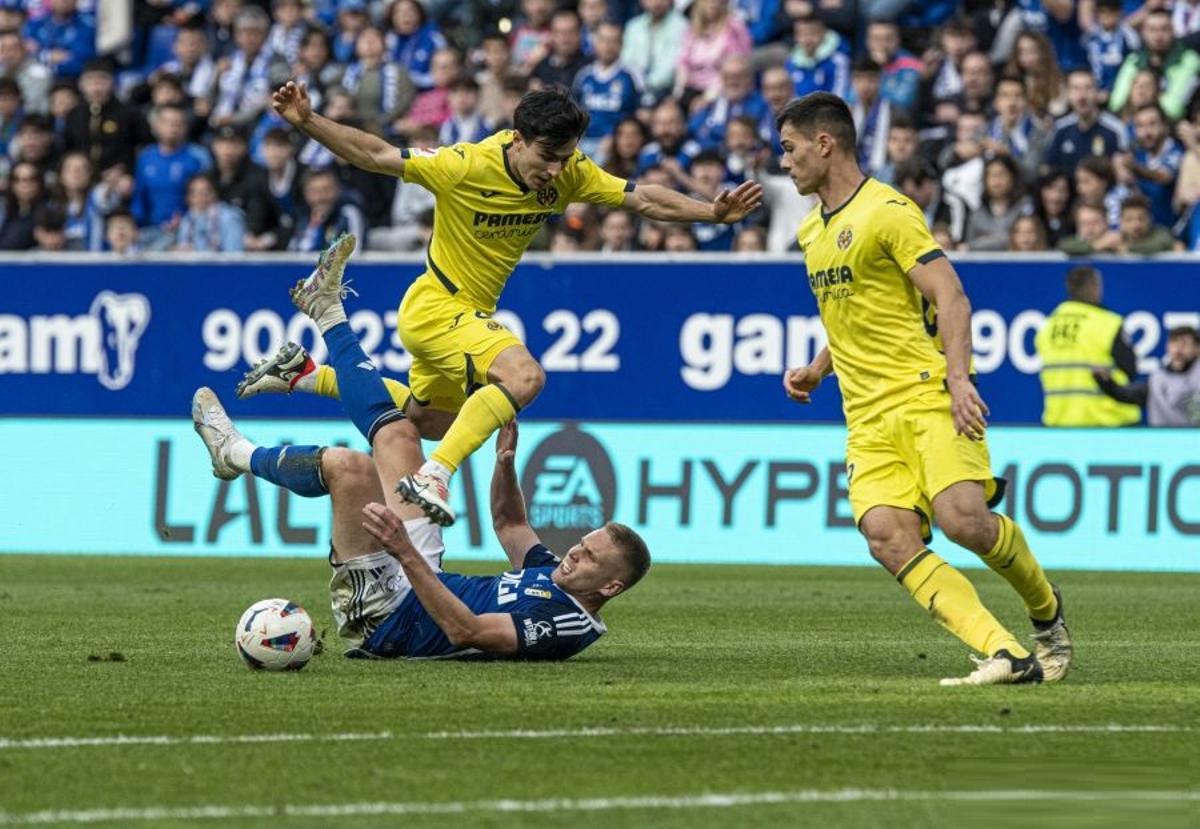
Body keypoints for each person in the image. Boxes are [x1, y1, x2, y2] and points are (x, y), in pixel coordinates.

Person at [267, 81, 761, 526]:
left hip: (462, 314)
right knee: (525, 378)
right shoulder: (463, 165)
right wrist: (307, 121)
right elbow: (375, 153)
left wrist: (711, 214)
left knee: (427, 423)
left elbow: (643, 199)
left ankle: (309, 374)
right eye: (548, 156)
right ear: (517, 139)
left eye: (566, 156)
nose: (557, 169)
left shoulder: (568, 173)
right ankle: (435, 476)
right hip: (438, 305)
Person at [194, 239, 650, 660]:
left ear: (611, 586)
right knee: (402, 433)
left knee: (349, 468)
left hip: (387, 618)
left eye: (588, 556)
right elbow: (510, 523)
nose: (574, 552)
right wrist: (505, 462)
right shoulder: (552, 572)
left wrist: (403, 552)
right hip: (419, 574)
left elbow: (466, 632)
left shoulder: (565, 623)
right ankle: (305, 373)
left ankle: (241, 445)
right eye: (583, 543)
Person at [776, 92, 1072, 686]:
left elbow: (950, 295)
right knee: (887, 536)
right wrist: (816, 367)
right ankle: (1007, 654)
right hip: (865, 417)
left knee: (965, 521)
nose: (784, 163)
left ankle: (1047, 613)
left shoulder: (888, 210)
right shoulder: (812, 231)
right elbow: (858, 316)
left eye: (788, 149)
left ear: (824, 143)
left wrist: (958, 378)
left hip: (923, 392)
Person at [1035, 265, 1142, 428]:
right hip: (1109, 422)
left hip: (1060, 422)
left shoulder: (1047, 326)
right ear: (1094, 286)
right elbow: (1131, 370)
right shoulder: (1108, 323)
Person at [1094, 326, 1200, 426]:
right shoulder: (1157, 379)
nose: (1178, 349)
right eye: (1174, 343)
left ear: (1197, 349)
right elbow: (1124, 394)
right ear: (1167, 346)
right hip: (1162, 442)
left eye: (1185, 344)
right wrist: (1106, 382)